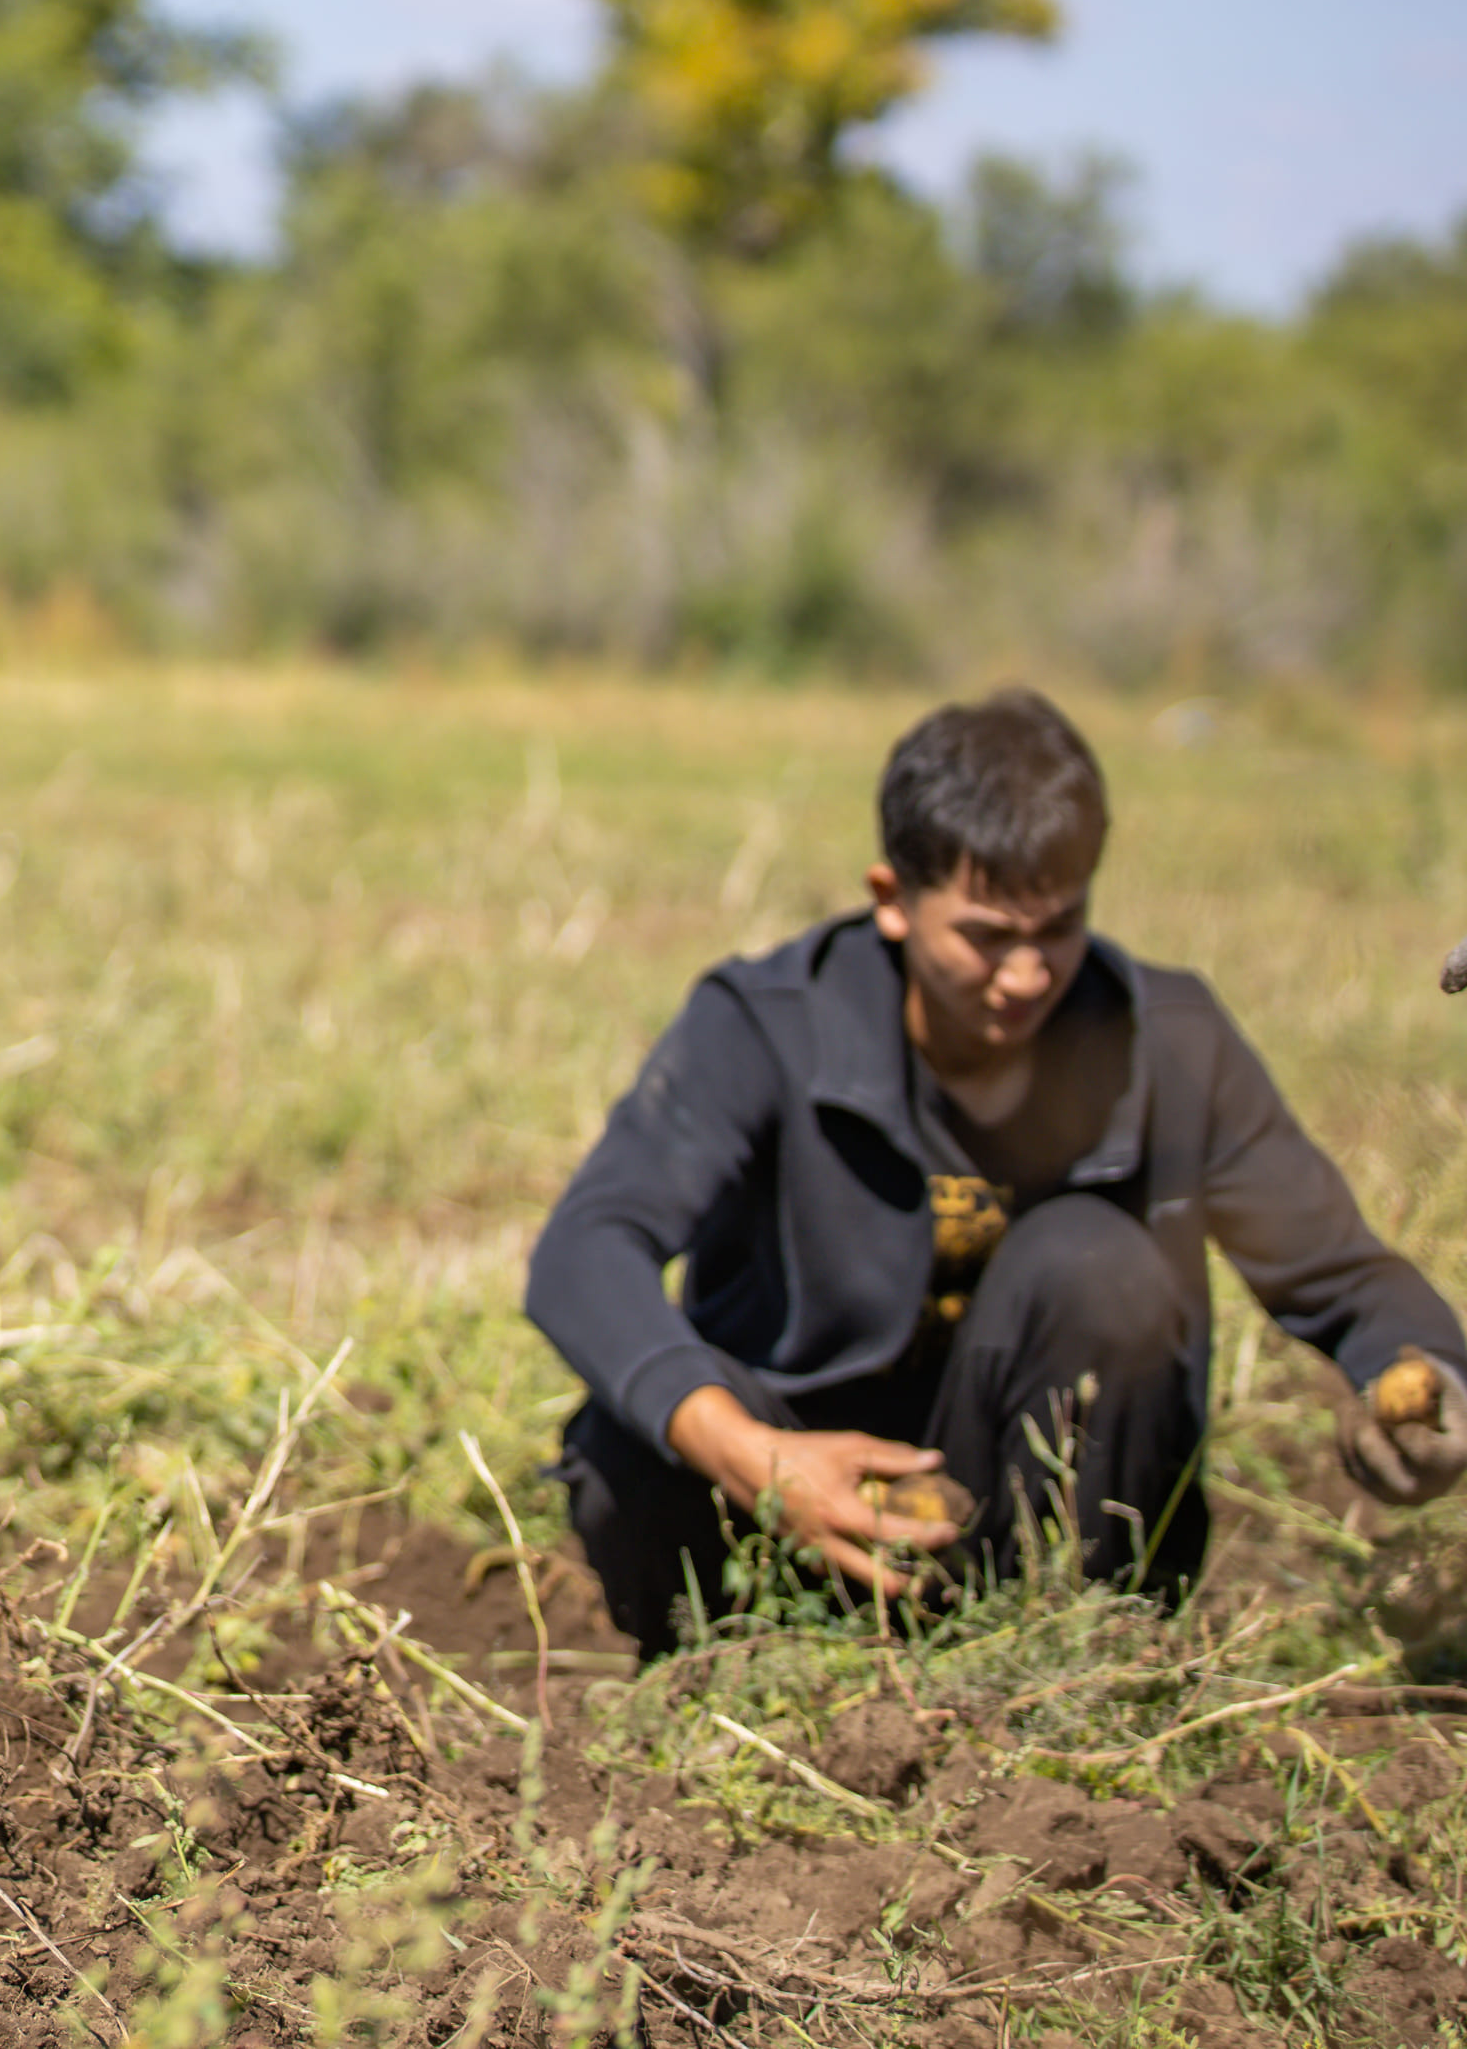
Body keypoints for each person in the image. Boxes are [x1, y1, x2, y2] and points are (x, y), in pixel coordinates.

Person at [529, 687, 1467, 1656]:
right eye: (984, 936)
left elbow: (1344, 1276)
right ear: (890, 900)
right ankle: (745, 1657)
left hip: (1037, 1542)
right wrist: (756, 1459)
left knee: (1098, 1263)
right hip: (783, 1507)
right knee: (627, 1452)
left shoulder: (1166, 1041)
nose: (1025, 976)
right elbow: (583, 1250)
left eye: (1057, 929)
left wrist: (1425, 1379)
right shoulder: (765, 1023)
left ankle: (1071, 1653)